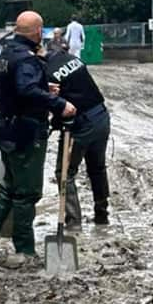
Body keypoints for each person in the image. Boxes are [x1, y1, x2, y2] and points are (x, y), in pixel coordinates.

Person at [0, 11, 76, 267]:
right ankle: (25, 250)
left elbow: (19, 89)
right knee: (27, 193)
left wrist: (44, 87)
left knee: (8, 190)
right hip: (26, 132)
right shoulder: (26, 60)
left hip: (7, 130)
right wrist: (58, 103)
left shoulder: (5, 55)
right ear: (36, 31)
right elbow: (26, 89)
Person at [46, 42, 111, 226]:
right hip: (101, 116)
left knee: (64, 172)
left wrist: (52, 125)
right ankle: (102, 214)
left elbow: (60, 106)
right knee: (97, 168)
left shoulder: (49, 73)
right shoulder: (74, 59)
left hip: (80, 125)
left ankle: (73, 221)